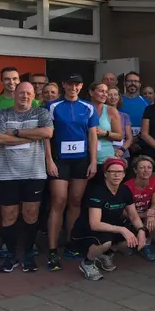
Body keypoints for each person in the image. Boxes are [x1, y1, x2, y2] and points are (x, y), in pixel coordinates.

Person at [0, 82, 53, 273]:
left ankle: (28, 254)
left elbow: (47, 132)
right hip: (6, 173)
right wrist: (31, 137)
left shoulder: (41, 113)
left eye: (28, 93)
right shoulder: (1, 114)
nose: (24, 96)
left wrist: (16, 132)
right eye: (21, 93)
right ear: (14, 94)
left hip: (34, 172)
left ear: (33, 95)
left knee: (31, 214)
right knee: (8, 215)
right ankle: (10, 255)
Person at [44, 74, 99, 271]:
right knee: (59, 201)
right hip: (60, 160)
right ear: (64, 85)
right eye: (70, 83)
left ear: (81, 86)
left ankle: (71, 243)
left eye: (77, 84)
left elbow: (92, 136)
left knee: (75, 201)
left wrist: (93, 162)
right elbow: (46, 136)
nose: (73, 87)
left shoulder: (88, 107)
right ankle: (52, 250)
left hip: (81, 160)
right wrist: (48, 160)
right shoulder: (52, 106)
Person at [71, 158, 148, 280]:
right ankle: (88, 262)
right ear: (105, 174)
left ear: (124, 174)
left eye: (120, 172)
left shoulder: (125, 190)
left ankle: (104, 254)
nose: (116, 175)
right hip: (86, 230)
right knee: (105, 241)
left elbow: (133, 215)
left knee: (135, 236)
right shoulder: (96, 191)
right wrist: (122, 230)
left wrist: (142, 230)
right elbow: (95, 224)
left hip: (111, 227)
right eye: (112, 171)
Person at [124, 156, 155, 261]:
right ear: (135, 170)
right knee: (124, 248)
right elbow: (123, 212)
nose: (146, 170)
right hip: (129, 218)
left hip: (144, 216)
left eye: (149, 167)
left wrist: (151, 213)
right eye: (142, 167)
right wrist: (144, 215)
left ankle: (146, 244)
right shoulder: (127, 186)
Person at [88, 82, 124, 166]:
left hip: (106, 158)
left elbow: (120, 136)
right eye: (101, 91)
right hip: (86, 157)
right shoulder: (83, 108)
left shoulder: (111, 111)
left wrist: (105, 133)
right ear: (91, 92)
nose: (105, 94)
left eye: (106, 92)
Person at [121, 71, 150, 141]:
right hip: (122, 140)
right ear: (124, 83)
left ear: (140, 84)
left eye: (136, 81)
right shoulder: (117, 100)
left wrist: (136, 139)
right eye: (130, 81)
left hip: (141, 141)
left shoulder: (146, 101)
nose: (133, 83)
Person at [107, 86, 133, 160]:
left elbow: (129, 138)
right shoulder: (99, 115)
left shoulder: (125, 116)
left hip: (122, 154)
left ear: (119, 97)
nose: (113, 97)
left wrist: (122, 150)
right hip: (105, 152)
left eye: (115, 94)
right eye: (110, 95)